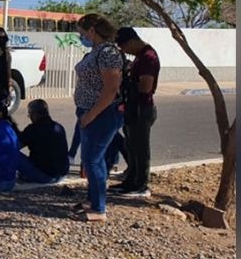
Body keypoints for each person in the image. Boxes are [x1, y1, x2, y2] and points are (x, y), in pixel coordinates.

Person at [70, 13, 125, 222]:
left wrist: (91, 115)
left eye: (82, 32)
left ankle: (99, 208)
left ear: (92, 30)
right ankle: (93, 199)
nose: (81, 36)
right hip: (88, 111)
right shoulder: (97, 51)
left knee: (93, 160)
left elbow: (111, 90)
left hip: (101, 113)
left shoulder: (108, 53)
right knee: (91, 159)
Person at [111, 26, 160, 197]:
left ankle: (141, 184)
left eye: (123, 46)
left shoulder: (148, 57)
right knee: (130, 146)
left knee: (140, 149)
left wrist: (127, 84)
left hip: (142, 108)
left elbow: (145, 86)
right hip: (132, 107)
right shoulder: (139, 57)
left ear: (132, 41)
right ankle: (130, 181)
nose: (123, 50)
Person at [17, 99, 69, 184]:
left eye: (30, 114)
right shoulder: (58, 127)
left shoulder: (33, 129)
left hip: (45, 176)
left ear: (35, 115)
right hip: (62, 173)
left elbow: (14, 146)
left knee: (12, 154)